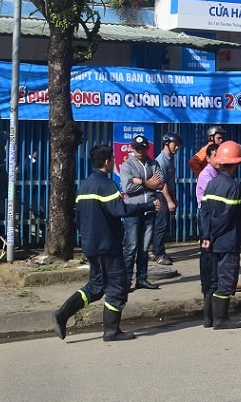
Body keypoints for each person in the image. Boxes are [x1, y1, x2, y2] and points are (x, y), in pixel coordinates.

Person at [52, 144, 161, 342]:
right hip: (107, 245)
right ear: (108, 162)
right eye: (112, 159)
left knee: (96, 286)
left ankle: (62, 314)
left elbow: (78, 215)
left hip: (91, 245)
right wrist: (148, 206)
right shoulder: (107, 185)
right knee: (117, 286)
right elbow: (120, 210)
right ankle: (111, 330)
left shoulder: (85, 185)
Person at [199, 140, 241, 330]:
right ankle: (220, 319)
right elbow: (227, 217)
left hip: (211, 241)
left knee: (213, 279)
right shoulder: (233, 186)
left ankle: (208, 319)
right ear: (236, 163)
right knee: (226, 279)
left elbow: (204, 212)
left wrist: (206, 235)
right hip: (227, 241)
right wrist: (213, 234)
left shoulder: (212, 183)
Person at [119, 134, 165, 291]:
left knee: (144, 248)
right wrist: (147, 183)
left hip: (150, 210)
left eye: (143, 148)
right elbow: (127, 188)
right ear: (132, 149)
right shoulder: (127, 166)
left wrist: (139, 181)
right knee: (131, 248)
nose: (140, 151)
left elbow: (160, 183)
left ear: (147, 148)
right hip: (132, 210)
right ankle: (125, 282)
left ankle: (142, 279)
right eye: (137, 148)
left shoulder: (153, 163)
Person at [193, 140, 220, 326]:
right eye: (215, 156)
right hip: (207, 222)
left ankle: (211, 314)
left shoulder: (216, 173)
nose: (219, 159)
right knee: (209, 266)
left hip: (211, 221)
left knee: (214, 266)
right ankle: (208, 315)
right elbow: (207, 206)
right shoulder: (207, 175)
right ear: (208, 158)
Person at [150, 132, 182, 266]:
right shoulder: (161, 160)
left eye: (178, 145)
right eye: (175, 145)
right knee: (161, 225)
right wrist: (169, 201)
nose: (177, 148)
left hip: (167, 194)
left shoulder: (169, 158)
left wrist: (173, 198)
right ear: (167, 144)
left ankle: (156, 251)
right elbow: (161, 183)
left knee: (162, 225)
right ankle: (159, 254)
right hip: (161, 195)